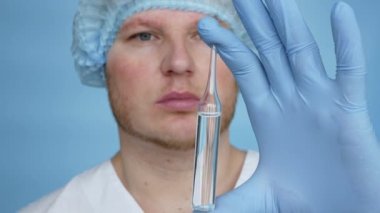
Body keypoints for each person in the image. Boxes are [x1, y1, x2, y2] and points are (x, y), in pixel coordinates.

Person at [21, 0, 380, 212]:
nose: (178, 63)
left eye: (204, 35)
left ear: (240, 54)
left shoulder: (319, 200)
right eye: (144, 35)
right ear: (100, 58)